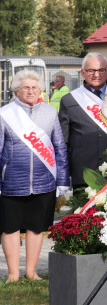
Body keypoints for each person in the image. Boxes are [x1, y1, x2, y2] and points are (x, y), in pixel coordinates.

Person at [0, 69, 70, 281]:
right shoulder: (5, 113)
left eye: (34, 87)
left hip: (43, 181)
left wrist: (63, 181)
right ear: (17, 90)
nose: (31, 91)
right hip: (10, 181)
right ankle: (13, 273)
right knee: (9, 227)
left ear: (40, 90)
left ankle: (31, 272)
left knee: (37, 227)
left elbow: (59, 147)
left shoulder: (49, 113)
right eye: (26, 88)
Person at [59, 53, 107, 190]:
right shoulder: (69, 100)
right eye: (91, 70)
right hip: (83, 176)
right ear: (83, 73)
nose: (96, 74)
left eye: (101, 70)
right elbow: (63, 142)